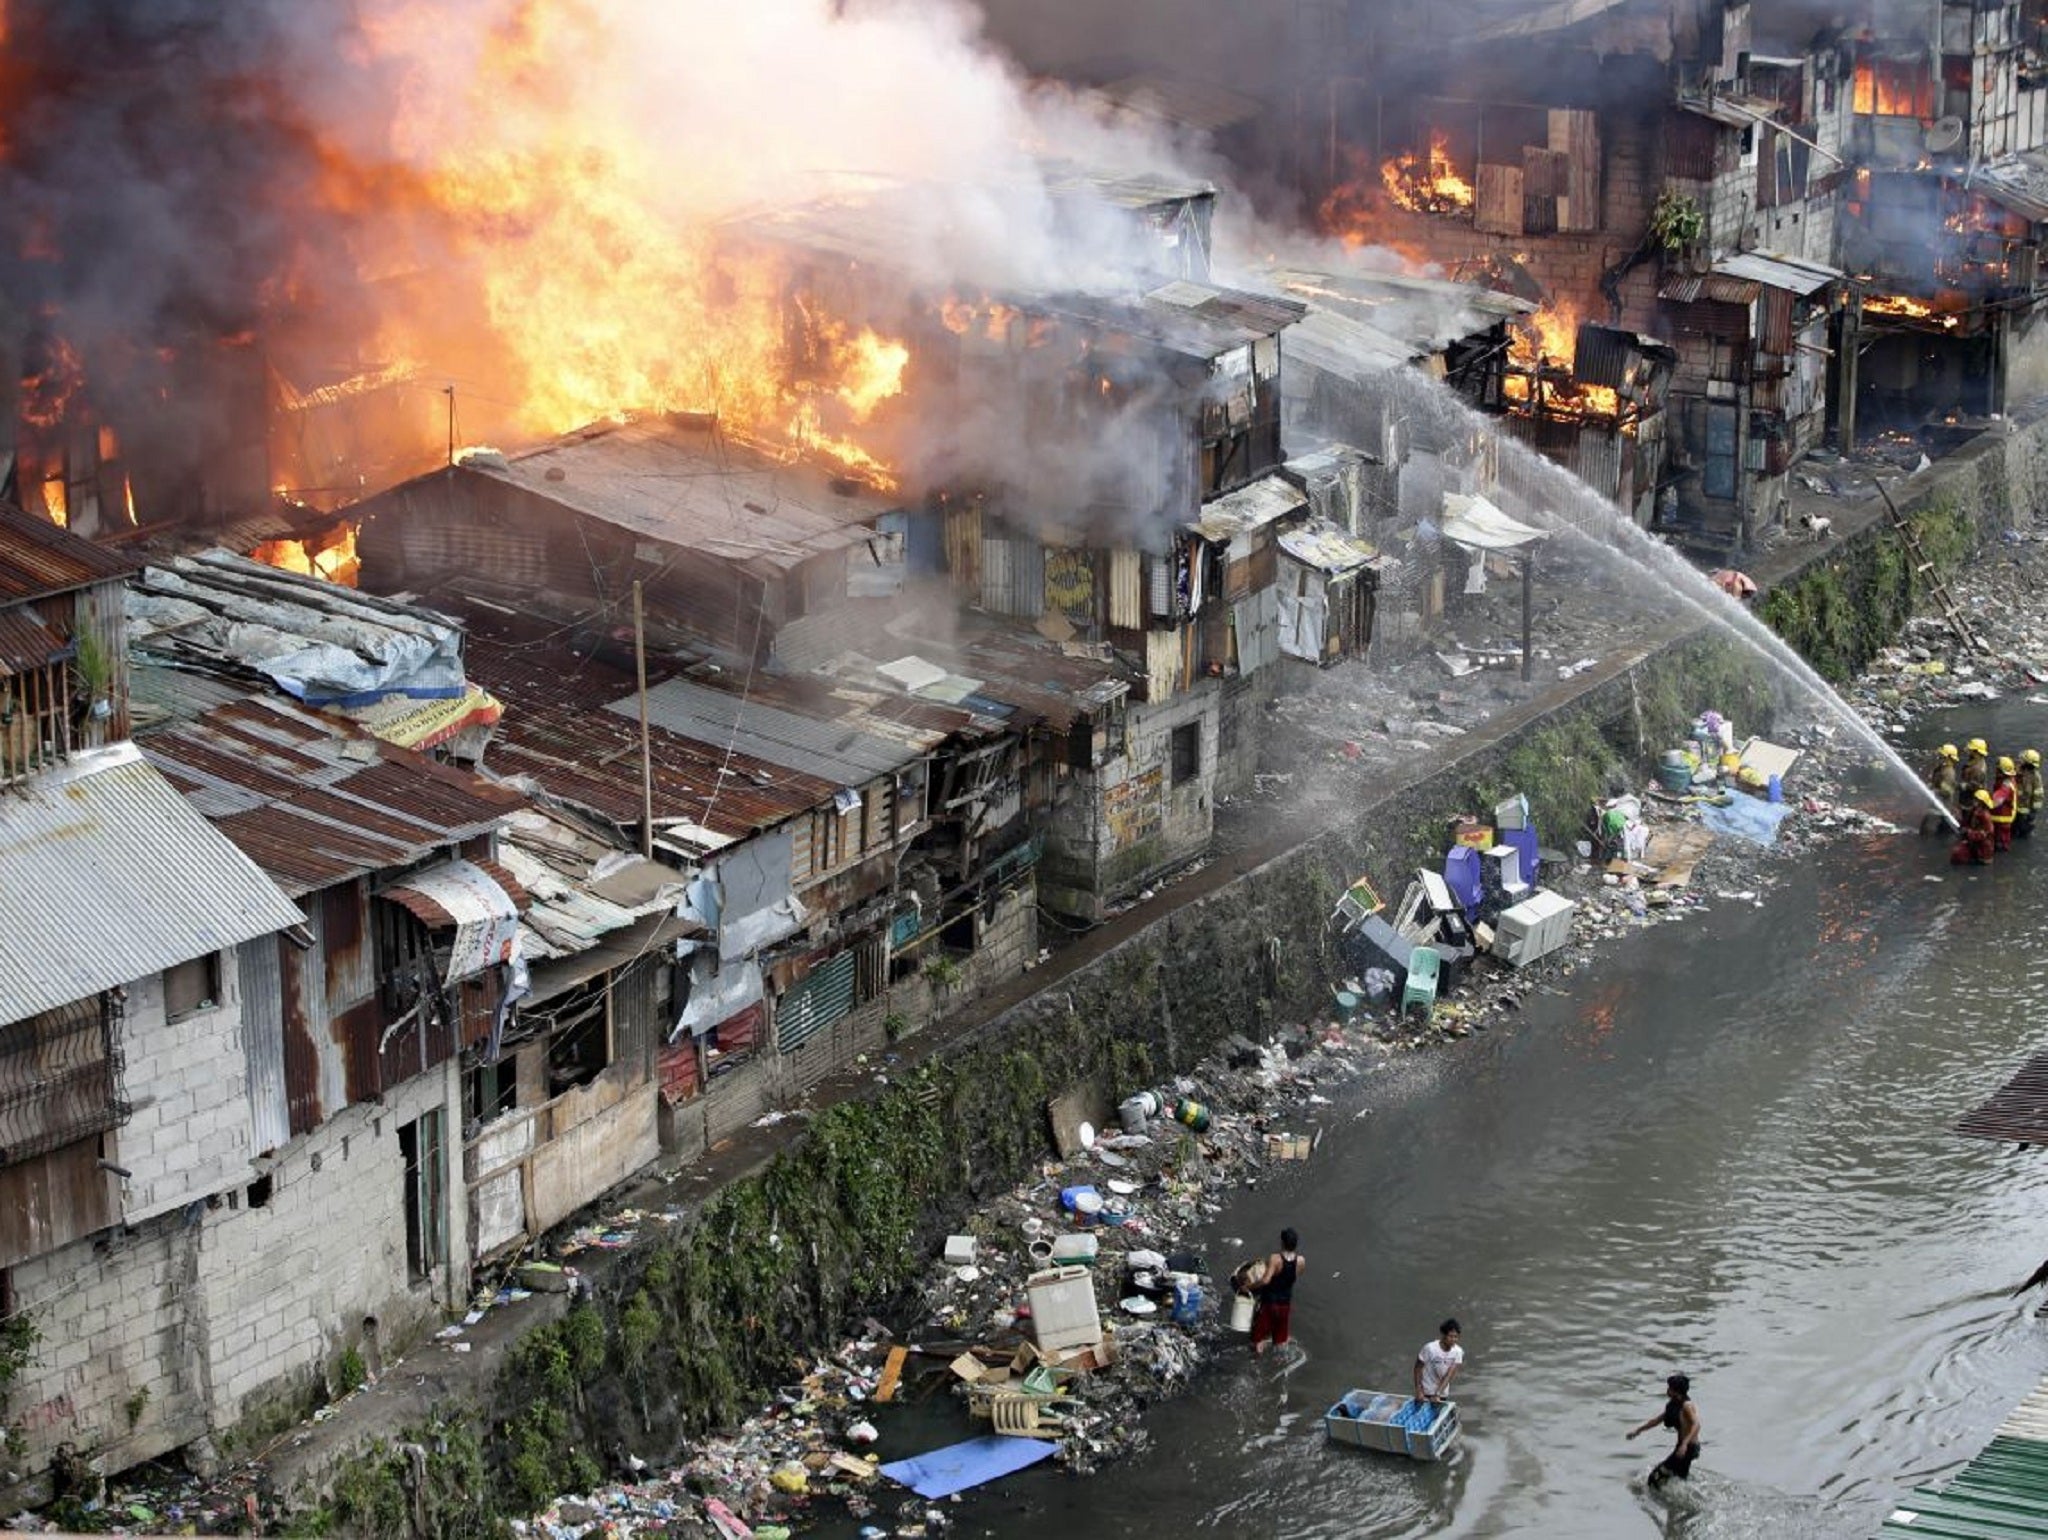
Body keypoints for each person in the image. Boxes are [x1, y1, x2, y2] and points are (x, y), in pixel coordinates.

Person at [1628, 1373, 1703, 1487]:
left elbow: (1696, 1424)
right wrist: (1638, 1430)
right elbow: (1657, 1420)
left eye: (1669, 1388)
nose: (1667, 1390)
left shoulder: (1686, 1406)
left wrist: (1684, 1445)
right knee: (1679, 1479)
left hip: (1688, 1448)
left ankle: (1656, 1501)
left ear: (1676, 1391)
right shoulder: (1674, 1404)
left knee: (1654, 1477)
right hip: (1683, 1447)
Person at [1249, 1228, 1303, 1355]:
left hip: (1270, 1304)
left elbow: (1265, 1281)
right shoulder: (1301, 1261)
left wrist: (1249, 1287)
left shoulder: (1275, 1259)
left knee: (1258, 1339)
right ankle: (1280, 1362)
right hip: (1285, 1305)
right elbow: (1293, 1277)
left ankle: (1256, 1364)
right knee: (1279, 1340)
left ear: (1282, 1243)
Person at [1413, 1318, 1464, 1403]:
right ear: (1443, 1335)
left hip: (1442, 1393)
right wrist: (1419, 1390)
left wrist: (1438, 1394)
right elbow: (1418, 1368)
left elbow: (1449, 1375)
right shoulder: (1430, 1348)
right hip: (1425, 1391)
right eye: (1450, 1336)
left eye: (1456, 1337)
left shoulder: (1458, 1352)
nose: (1453, 1340)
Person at [1923, 743, 1961, 836]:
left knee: (1926, 831)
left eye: (1942, 755)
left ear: (1948, 757)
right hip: (1938, 805)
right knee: (1942, 832)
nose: (1940, 756)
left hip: (1940, 807)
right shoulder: (1941, 768)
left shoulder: (1948, 773)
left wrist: (1933, 791)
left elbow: (1947, 792)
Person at [1953, 788, 1996, 866]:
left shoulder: (1985, 816)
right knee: (1957, 854)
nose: (1974, 801)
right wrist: (1959, 819)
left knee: (1980, 860)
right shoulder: (1973, 811)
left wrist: (1968, 832)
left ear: (1982, 802)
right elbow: (1966, 823)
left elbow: (1985, 833)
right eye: (1975, 799)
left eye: (1977, 800)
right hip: (1972, 842)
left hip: (1983, 846)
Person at [1991, 758, 2019, 853]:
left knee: (2002, 832)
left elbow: (1998, 800)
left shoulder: (2006, 784)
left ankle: (2002, 846)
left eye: (1998, 768)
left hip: (2004, 814)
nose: (1995, 770)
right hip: (2002, 812)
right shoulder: (2005, 779)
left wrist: (1987, 803)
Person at [2018, 749, 2043, 841]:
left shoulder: (2035, 777)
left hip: (2026, 808)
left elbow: (2038, 796)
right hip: (2019, 805)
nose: (2021, 761)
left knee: (2024, 827)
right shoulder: (2021, 771)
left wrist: (2033, 812)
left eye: (2023, 759)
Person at [1961, 738, 1991, 812]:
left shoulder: (1978, 769)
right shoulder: (1975, 760)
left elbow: (1975, 786)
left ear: (1976, 752)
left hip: (1970, 803)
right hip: (1967, 799)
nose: (1968, 750)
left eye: (1971, 749)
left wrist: (1960, 786)